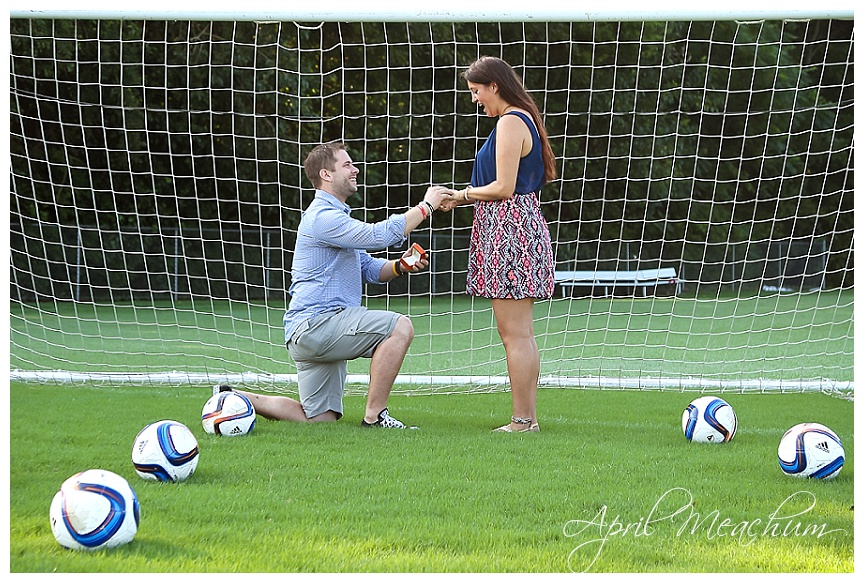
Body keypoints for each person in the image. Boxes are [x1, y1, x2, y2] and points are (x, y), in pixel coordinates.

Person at [217, 141, 450, 429]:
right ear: (326, 174)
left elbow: (369, 269)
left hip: (309, 332)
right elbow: (379, 235)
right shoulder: (322, 218)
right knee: (399, 327)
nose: (356, 169)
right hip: (317, 325)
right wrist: (426, 207)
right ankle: (375, 418)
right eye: (347, 165)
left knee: (319, 419)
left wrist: (400, 266)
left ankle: (236, 398)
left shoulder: (336, 218)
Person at [439, 56, 557, 433]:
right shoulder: (520, 119)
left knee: (515, 335)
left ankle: (523, 421)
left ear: (494, 86)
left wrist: (462, 194)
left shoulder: (510, 121)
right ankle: (529, 419)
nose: (475, 100)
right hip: (513, 226)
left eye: (476, 92)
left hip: (510, 230)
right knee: (520, 333)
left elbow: (503, 188)